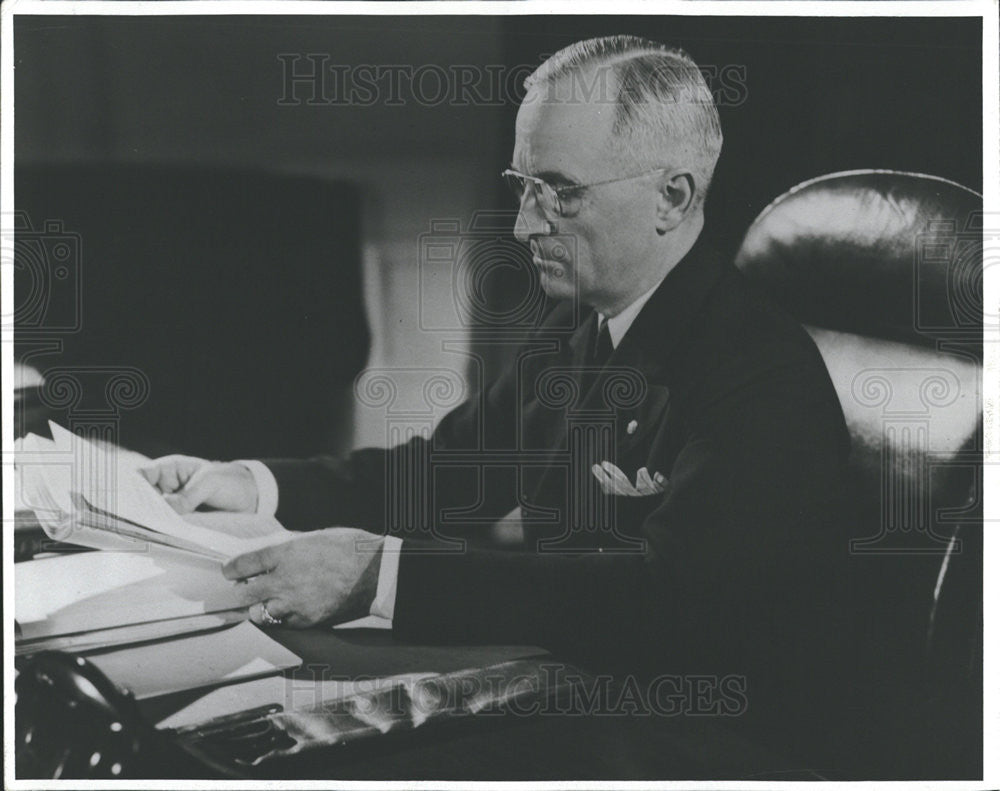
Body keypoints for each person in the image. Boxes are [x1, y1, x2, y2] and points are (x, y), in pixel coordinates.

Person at [142, 36, 850, 732]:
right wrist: (251, 483)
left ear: (672, 196)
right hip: (566, 690)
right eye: (523, 186)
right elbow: (445, 474)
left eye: (560, 193)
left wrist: (377, 576)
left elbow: (667, 603)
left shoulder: (760, 373)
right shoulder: (579, 333)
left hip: (694, 741)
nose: (522, 225)